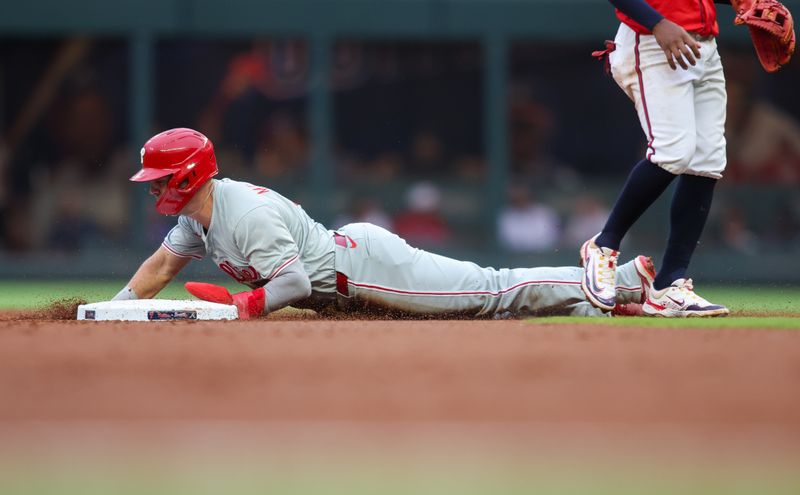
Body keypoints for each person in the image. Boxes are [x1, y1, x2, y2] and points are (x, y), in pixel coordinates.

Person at [113, 128, 655, 319]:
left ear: (189, 176)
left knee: (491, 292)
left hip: (364, 268)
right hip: (352, 276)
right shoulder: (198, 218)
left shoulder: (244, 213)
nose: (155, 187)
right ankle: (603, 301)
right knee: (481, 310)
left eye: (161, 178)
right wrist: (113, 309)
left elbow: (295, 283)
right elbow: (161, 266)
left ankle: (624, 278)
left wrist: (241, 307)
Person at [581, 0, 734, 318]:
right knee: (672, 152)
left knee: (707, 163)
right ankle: (604, 245)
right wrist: (655, 23)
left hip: (704, 45)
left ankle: (669, 285)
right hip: (653, 40)